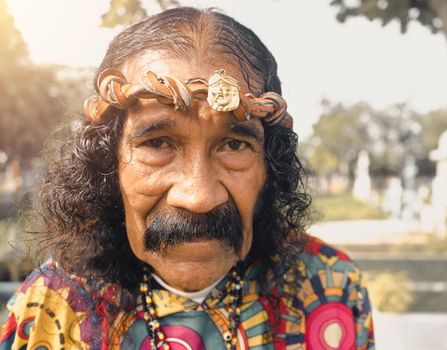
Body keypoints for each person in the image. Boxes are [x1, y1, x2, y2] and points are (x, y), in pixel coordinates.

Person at [0, 7, 374, 350]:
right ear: (107, 163)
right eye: (158, 142)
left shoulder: (328, 287)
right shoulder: (53, 309)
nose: (198, 195)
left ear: (270, 165)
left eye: (232, 144)